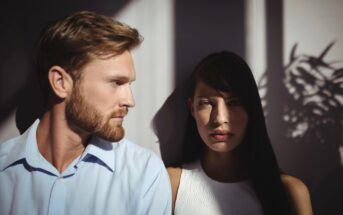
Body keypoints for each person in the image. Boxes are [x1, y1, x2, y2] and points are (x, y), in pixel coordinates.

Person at [0, 11, 171, 215]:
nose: (130, 101)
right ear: (61, 82)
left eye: (129, 84)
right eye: (116, 83)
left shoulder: (143, 174)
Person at [167, 51, 312, 215]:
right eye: (207, 103)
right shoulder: (172, 184)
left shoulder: (291, 191)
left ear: (251, 108)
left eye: (234, 102)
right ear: (192, 108)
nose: (220, 118)